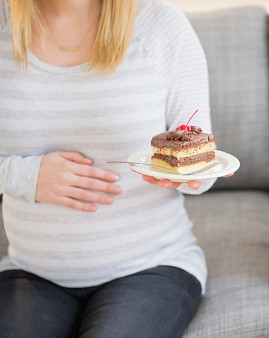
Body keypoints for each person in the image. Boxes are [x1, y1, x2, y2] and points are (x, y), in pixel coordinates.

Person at [0, 0, 222, 336]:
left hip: (151, 268)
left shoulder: (161, 25)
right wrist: (24, 177)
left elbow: (202, 159)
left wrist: (187, 176)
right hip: (30, 271)